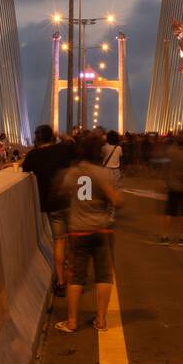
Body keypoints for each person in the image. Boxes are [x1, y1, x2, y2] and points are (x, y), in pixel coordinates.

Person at [55, 134, 121, 333]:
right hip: (101, 229)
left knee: (76, 277)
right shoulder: (103, 174)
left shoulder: (72, 173)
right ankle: (101, 320)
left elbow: (63, 193)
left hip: (78, 231)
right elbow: (116, 200)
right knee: (103, 275)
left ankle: (72, 322)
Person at [20, 124, 77, 296]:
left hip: (51, 205)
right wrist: (63, 135)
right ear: (52, 137)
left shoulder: (33, 156)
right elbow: (73, 143)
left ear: (37, 138)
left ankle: (60, 282)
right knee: (73, 242)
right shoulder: (63, 149)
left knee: (59, 242)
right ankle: (76, 282)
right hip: (69, 202)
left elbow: (24, 168)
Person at [160, 131, 183, 245]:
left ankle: (165, 236)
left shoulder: (170, 152)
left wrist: (165, 180)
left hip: (172, 186)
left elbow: (164, 167)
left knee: (169, 212)